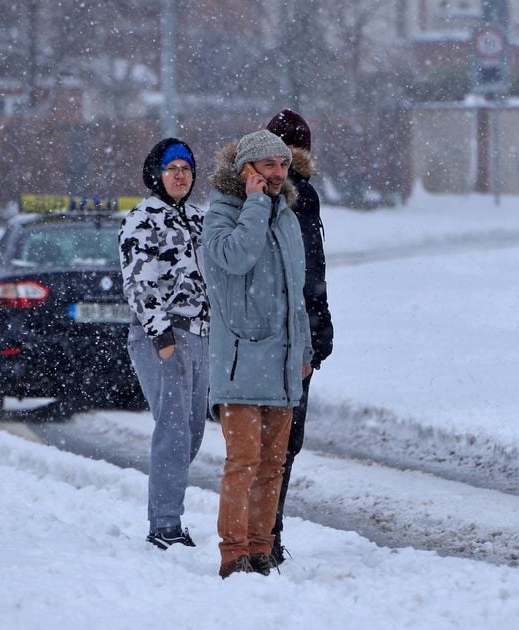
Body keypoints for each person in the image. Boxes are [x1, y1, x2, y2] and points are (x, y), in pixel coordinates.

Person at [201, 129, 312, 578]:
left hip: (283, 361)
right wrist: (255, 204)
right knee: (243, 462)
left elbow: (295, 292)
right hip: (241, 359)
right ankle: (233, 554)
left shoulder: (285, 214)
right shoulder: (221, 214)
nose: (278, 173)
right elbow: (235, 258)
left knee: (273, 465)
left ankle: (262, 551)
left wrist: (302, 349)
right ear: (246, 170)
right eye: (268, 165)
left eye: (283, 165)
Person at [119, 138, 210, 551]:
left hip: (201, 336)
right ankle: (165, 526)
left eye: (186, 169)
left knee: (191, 434)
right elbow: (140, 282)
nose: (180, 175)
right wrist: (162, 336)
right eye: (172, 168)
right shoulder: (143, 218)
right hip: (164, 337)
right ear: (157, 174)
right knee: (173, 431)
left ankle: (166, 506)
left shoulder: (198, 218)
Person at [264, 109, 334, 566]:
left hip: (261, 334)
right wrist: (318, 333)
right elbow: (309, 275)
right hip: (292, 339)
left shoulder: (253, 193)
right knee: (283, 441)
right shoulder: (301, 196)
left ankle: (258, 532)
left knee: (261, 441)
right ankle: (267, 535)